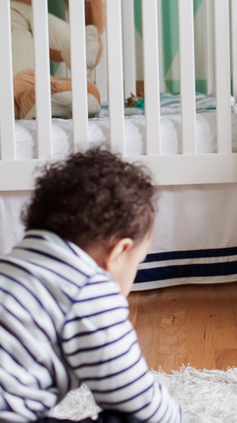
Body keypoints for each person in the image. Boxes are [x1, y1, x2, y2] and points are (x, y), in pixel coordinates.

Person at [0, 148, 182, 423]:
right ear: (119, 252)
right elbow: (140, 402)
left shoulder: (11, 266)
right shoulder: (89, 289)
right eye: (137, 262)